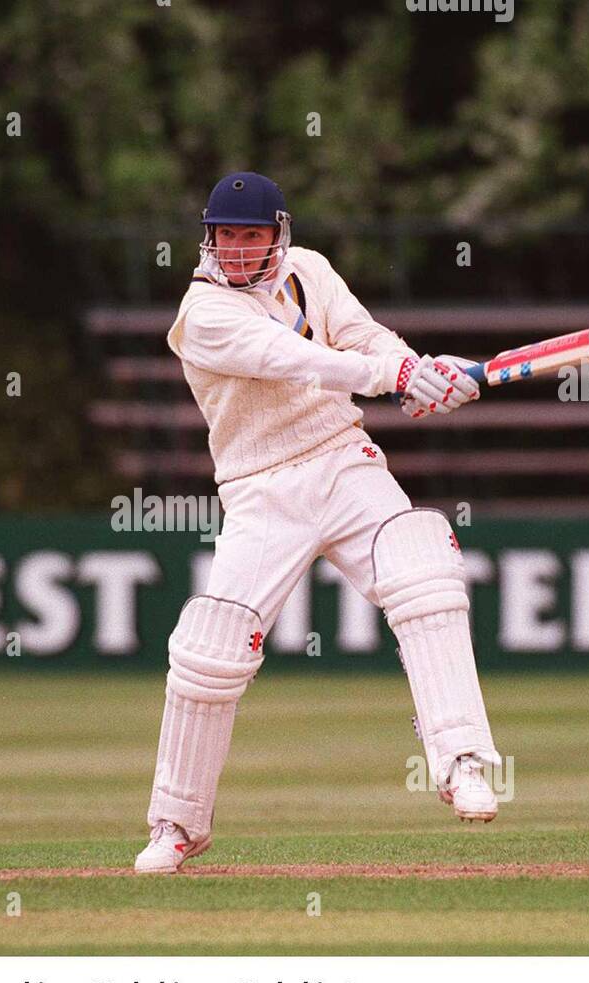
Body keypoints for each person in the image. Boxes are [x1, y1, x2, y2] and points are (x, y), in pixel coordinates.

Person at [134, 172, 499, 874]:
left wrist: (417, 370)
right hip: (261, 487)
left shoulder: (313, 272)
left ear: (279, 232)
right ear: (208, 240)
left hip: (343, 460)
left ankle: (460, 760)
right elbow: (295, 360)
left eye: (252, 236)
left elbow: (365, 336)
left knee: (424, 568)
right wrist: (394, 378)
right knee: (211, 650)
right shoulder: (202, 315)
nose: (238, 250)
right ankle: (177, 824)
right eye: (225, 237)